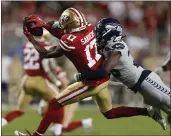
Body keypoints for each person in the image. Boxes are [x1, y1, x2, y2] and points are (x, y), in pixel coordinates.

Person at [17, 8, 163, 136]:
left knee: (54, 103)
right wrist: (43, 24)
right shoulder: (89, 28)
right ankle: (148, 112)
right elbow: (60, 28)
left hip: (90, 83)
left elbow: (48, 53)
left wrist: (32, 39)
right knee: (109, 113)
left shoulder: (69, 40)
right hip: (102, 76)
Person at [75, 18, 170, 128]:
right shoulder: (106, 48)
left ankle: (153, 111)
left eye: (99, 31)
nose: (97, 34)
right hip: (141, 87)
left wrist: (83, 76)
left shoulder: (115, 47)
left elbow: (105, 71)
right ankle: (151, 112)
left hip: (147, 81)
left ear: (108, 31)